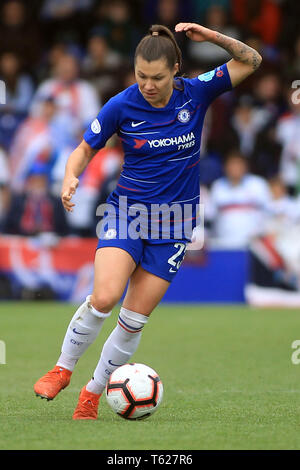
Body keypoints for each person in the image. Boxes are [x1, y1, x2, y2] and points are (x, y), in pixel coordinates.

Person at [33, 22, 262, 419]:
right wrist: (72, 176)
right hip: (128, 214)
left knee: (133, 319)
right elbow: (84, 149)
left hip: (175, 223)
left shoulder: (198, 91)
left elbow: (251, 60)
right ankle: (62, 369)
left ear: (176, 69)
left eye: (156, 77)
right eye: (141, 76)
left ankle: (91, 394)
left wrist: (211, 37)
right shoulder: (122, 105)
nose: (148, 85)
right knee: (104, 297)